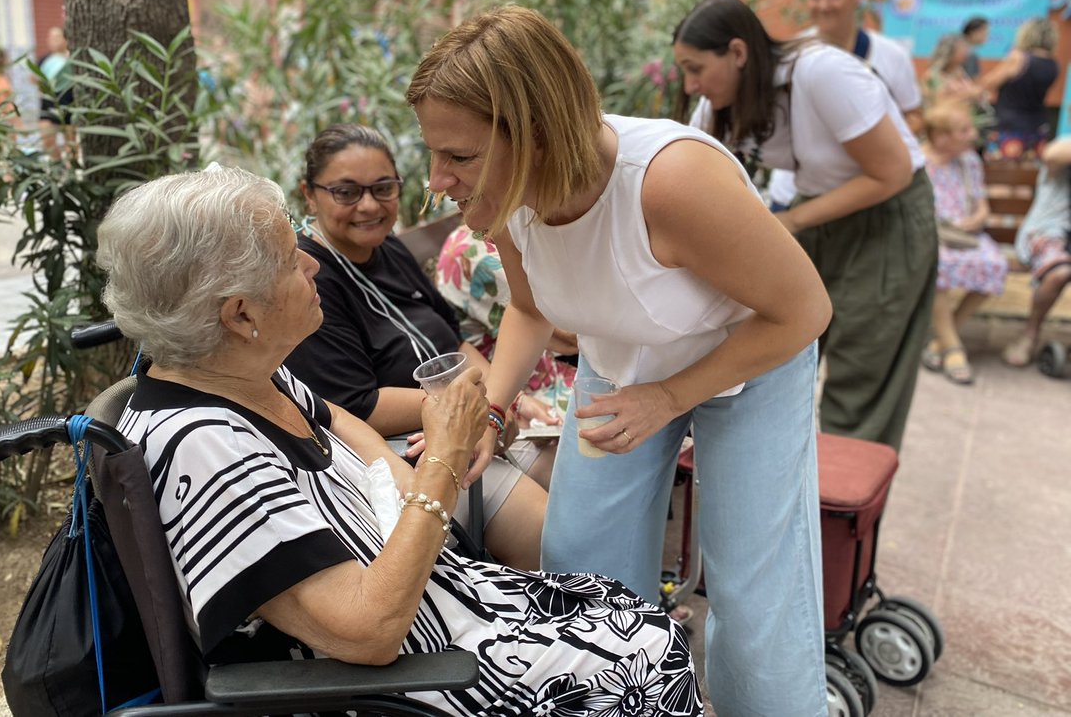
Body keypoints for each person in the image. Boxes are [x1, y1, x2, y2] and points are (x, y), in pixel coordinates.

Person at [95, 166, 702, 716]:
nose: (313, 264)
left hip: (451, 611)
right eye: (289, 257)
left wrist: (397, 475)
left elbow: (334, 420)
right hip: (416, 683)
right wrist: (441, 459)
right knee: (645, 659)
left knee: (632, 611)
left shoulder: (243, 375)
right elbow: (367, 631)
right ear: (239, 315)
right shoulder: (204, 449)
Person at [407, 4, 831, 716]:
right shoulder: (510, 201)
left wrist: (669, 398)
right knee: (579, 565)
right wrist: (491, 408)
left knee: (754, 599)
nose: (436, 180)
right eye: (433, 153)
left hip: (750, 354)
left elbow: (804, 311)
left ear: (537, 134)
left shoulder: (670, 181)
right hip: (624, 360)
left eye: (459, 157)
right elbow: (531, 308)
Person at [678, 0, 937, 453]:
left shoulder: (822, 72)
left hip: (886, 216)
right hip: (814, 210)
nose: (690, 84)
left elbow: (893, 172)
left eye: (696, 68)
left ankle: (839, 512)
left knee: (862, 370)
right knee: (780, 349)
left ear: (738, 53)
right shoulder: (718, 106)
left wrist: (792, 220)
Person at [282, 125, 549, 571]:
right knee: (548, 532)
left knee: (576, 480)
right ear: (309, 195)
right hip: (405, 450)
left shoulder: (389, 250)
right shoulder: (314, 280)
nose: (368, 205)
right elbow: (356, 405)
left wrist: (504, 400)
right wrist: (472, 409)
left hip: (470, 419)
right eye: (346, 192)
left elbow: (455, 339)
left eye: (382, 188)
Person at [766, 0, 925, 209]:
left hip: (864, 199)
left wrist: (872, 142)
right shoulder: (790, 56)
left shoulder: (891, 56)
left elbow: (915, 116)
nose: (823, 5)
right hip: (794, 196)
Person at [435, 223, 577, 432]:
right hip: (525, 391)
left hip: (543, 374)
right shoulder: (478, 254)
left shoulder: (506, 229)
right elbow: (566, 337)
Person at [920, 101, 1009, 384]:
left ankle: (942, 341)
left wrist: (976, 219)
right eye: (964, 130)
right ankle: (954, 348)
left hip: (966, 235)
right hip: (932, 235)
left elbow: (982, 206)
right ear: (942, 136)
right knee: (939, 264)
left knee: (995, 264)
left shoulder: (969, 161)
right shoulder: (919, 162)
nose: (973, 134)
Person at [1001, 133, 1071, 367]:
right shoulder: (1064, 147)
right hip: (1050, 233)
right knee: (1059, 272)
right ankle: (1030, 335)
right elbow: (1052, 155)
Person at [977, 18, 1060, 160]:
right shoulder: (1053, 64)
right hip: (1038, 124)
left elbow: (988, 83)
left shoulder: (1019, 58)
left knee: (1003, 174)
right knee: (1029, 174)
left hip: (1009, 126)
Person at [37, 26, 76, 161]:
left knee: (71, 143)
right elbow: (35, 79)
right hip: (48, 105)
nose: (52, 41)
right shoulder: (44, 60)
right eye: (50, 38)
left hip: (69, 104)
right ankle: (57, 165)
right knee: (47, 139)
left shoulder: (73, 59)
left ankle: (72, 168)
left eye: (56, 37)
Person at [961, 15, 989, 80]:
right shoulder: (969, 54)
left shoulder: (969, 52)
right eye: (984, 32)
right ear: (972, 32)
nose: (986, 36)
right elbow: (972, 81)